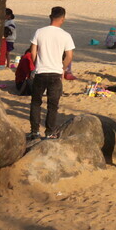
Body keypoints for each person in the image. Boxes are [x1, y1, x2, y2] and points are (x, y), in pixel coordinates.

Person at [29, 7, 75, 140]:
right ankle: (49, 132)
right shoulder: (65, 35)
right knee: (53, 104)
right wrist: (63, 68)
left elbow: (33, 51)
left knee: (36, 102)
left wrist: (36, 64)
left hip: (41, 72)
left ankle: (34, 131)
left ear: (50, 17)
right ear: (62, 19)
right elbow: (69, 56)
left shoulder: (39, 32)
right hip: (55, 73)